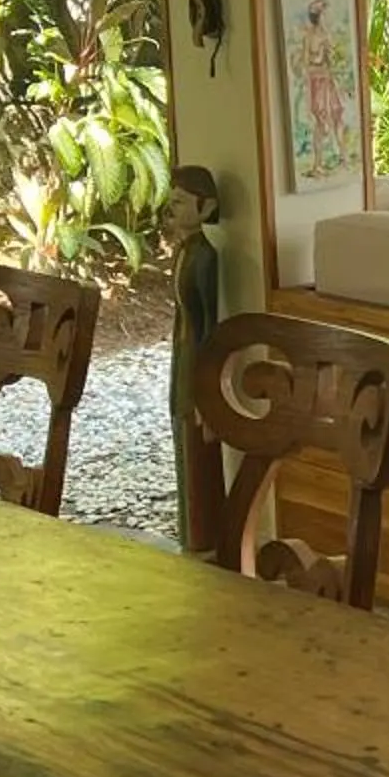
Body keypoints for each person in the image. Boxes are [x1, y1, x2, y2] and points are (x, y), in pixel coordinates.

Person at [164, 165, 222, 553]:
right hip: (180, 349)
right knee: (179, 428)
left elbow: (209, 323)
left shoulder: (205, 259)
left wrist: (207, 384)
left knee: (195, 438)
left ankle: (205, 535)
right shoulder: (184, 252)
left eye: (181, 201)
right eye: (172, 200)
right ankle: (188, 533)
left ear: (206, 208)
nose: (172, 207)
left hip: (195, 354)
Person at [295, 0, 353, 182]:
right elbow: (305, 63)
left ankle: (344, 157)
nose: (328, 18)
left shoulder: (327, 36)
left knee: (337, 117)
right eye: (325, 14)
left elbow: (332, 62)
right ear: (318, 16)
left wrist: (337, 79)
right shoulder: (309, 37)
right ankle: (317, 164)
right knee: (321, 124)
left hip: (327, 81)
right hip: (317, 83)